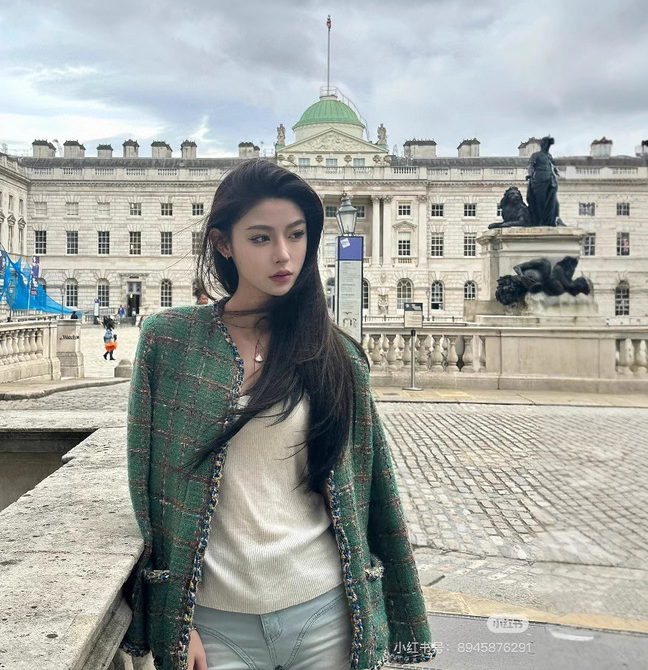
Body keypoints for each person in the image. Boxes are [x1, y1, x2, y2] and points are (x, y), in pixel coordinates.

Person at [119, 159, 435, 670]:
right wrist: (175, 617)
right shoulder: (169, 341)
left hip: (326, 615)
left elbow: (373, 491)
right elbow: (148, 487)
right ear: (224, 243)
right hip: (214, 627)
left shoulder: (337, 355)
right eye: (261, 238)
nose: (284, 254)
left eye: (296, 234)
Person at [526, 136, 561, 226]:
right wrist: (530, 175)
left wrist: (556, 173)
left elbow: (553, 167)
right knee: (539, 200)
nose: (548, 147)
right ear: (543, 145)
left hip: (551, 180)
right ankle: (539, 220)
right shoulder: (536, 155)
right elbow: (530, 166)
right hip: (539, 179)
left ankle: (550, 220)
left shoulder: (549, 156)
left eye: (549, 145)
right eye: (547, 144)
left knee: (553, 202)